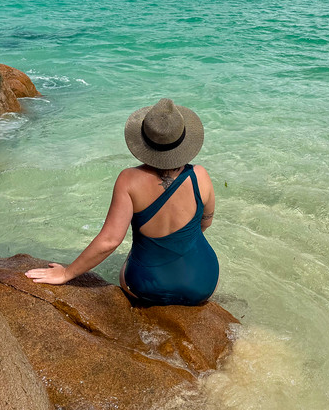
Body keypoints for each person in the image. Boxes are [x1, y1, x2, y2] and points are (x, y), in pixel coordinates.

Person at [25, 98, 219, 305]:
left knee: (131, 258)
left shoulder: (128, 180)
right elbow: (205, 222)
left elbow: (110, 242)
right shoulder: (200, 175)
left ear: (145, 142)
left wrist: (66, 273)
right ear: (183, 141)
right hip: (202, 282)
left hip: (147, 286)